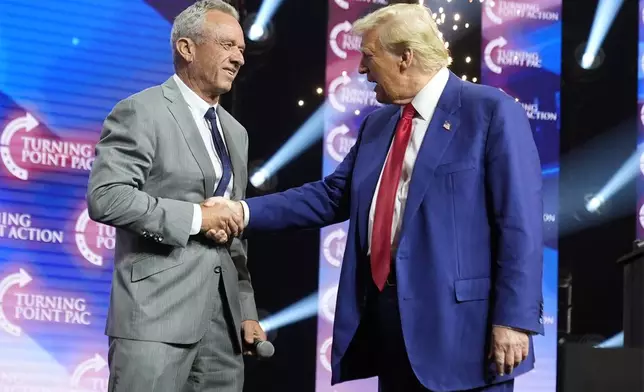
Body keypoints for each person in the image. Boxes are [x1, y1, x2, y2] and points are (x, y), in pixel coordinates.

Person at [209, 3, 544, 392]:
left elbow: (519, 222)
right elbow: (331, 195)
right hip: (392, 329)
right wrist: (242, 211)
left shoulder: (490, 112)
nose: (361, 70)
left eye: (368, 56)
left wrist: (515, 321)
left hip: (466, 338)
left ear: (406, 57)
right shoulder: (378, 124)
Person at [86, 1, 266, 391]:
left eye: (241, 50)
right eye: (226, 46)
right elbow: (107, 197)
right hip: (154, 317)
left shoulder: (237, 132)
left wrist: (246, 309)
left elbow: (233, 228)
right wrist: (198, 219)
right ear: (187, 48)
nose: (237, 59)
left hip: (223, 329)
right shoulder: (141, 111)